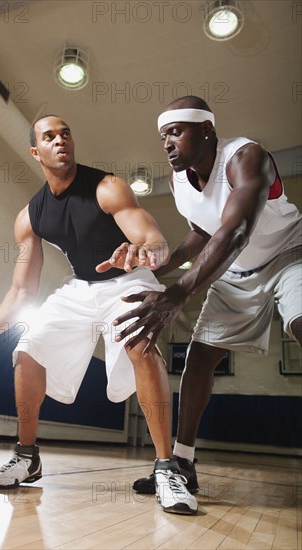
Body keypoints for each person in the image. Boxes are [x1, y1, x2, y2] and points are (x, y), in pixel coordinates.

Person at [0, 115, 198, 515]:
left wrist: (149, 253)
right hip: (81, 286)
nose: (60, 140)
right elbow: (21, 290)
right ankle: (26, 457)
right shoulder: (30, 216)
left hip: (128, 277)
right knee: (27, 350)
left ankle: (165, 467)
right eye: (49, 136)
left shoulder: (107, 187)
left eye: (65, 133)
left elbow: (152, 238)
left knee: (140, 343)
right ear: (36, 152)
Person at [97, 96, 302, 495]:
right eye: (163, 137)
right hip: (236, 269)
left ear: (206, 130)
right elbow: (204, 232)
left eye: (176, 132)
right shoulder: (178, 181)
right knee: (201, 356)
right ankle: (183, 461)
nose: (167, 144)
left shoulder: (245, 157)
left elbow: (236, 230)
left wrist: (177, 294)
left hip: (289, 253)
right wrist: (157, 269)